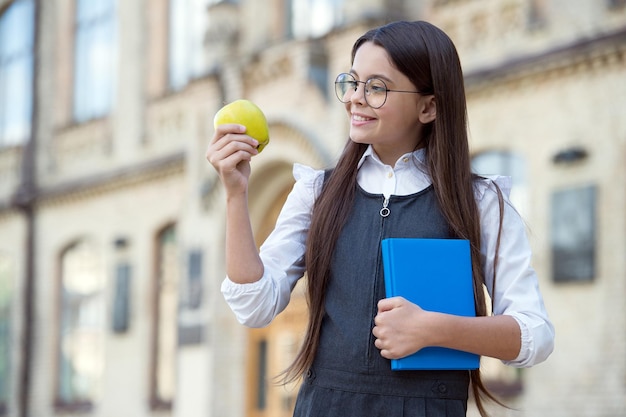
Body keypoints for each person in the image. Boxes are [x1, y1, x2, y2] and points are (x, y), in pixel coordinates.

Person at [206, 20, 554, 417]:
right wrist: (236, 194)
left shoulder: (481, 201)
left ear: (429, 106)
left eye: (376, 88)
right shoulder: (317, 191)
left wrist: (433, 328)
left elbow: (535, 334)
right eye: (352, 83)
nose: (355, 98)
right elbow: (255, 306)